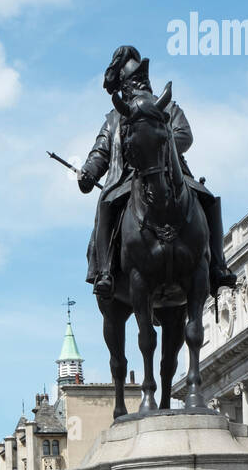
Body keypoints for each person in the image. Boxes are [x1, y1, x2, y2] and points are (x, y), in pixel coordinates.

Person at [77, 44, 237, 301]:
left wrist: (158, 142)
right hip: (127, 179)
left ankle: (218, 265)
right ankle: (105, 271)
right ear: (125, 87)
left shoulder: (168, 108)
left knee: (208, 198)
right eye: (134, 83)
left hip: (169, 172)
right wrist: (89, 172)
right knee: (107, 204)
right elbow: (101, 151)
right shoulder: (113, 119)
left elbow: (185, 135)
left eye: (142, 81)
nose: (140, 87)